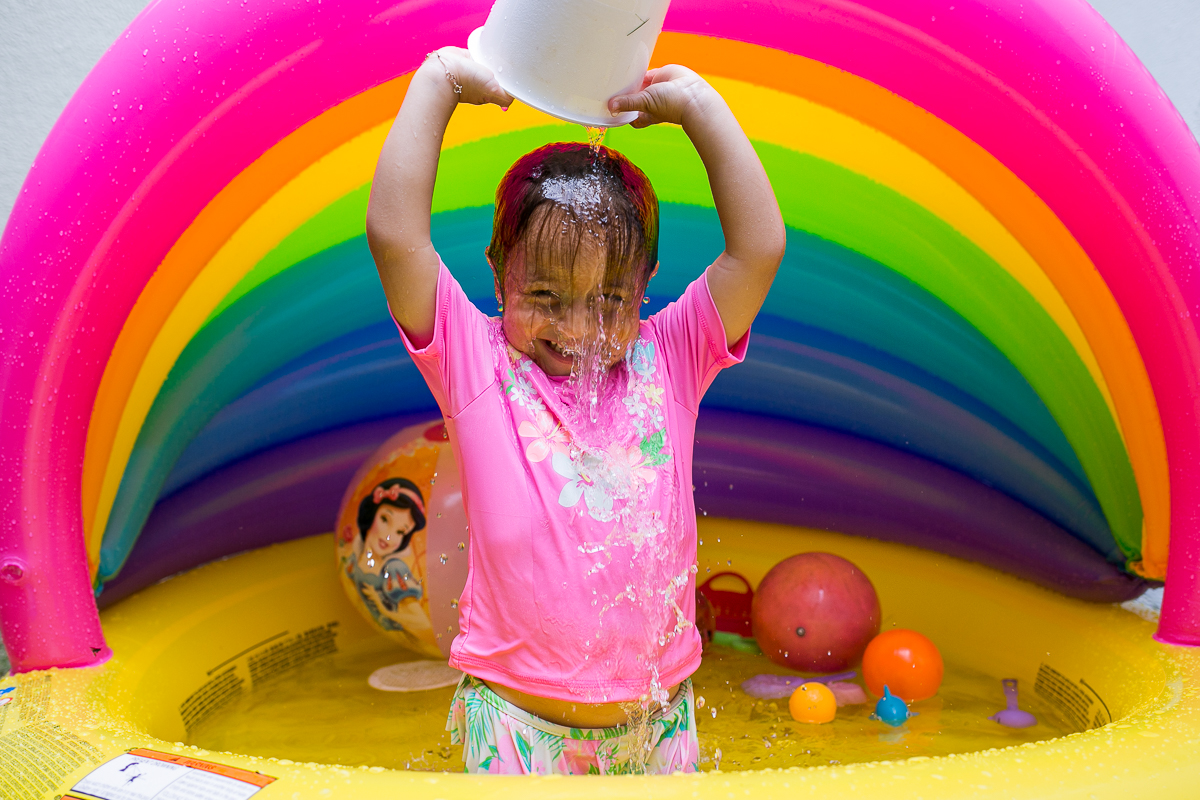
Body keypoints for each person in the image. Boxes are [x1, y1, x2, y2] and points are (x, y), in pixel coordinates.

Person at [366, 47, 784, 775]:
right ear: (498, 275)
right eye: (546, 298)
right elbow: (395, 238)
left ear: (645, 284)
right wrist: (435, 83)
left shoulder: (671, 358)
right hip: (517, 730)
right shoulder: (479, 364)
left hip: (656, 727)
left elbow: (759, 248)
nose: (579, 328)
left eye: (609, 300)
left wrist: (700, 111)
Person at [343, 478, 430, 642]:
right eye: (385, 520)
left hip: (405, 643)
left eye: (399, 532)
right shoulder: (354, 559)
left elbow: (422, 623)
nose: (388, 537)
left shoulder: (394, 569)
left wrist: (386, 611)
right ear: (371, 514)